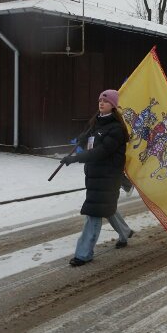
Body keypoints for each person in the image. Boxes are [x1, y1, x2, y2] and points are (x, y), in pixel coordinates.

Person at [61, 89, 133, 266]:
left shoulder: (116, 129)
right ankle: (125, 232)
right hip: (95, 175)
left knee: (94, 212)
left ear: (114, 106)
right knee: (106, 207)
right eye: (100, 100)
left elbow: (101, 152)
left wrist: (76, 158)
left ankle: (83, 254)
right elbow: (91, 140)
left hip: (108, 177)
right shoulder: (96, 124)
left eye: (106, 101)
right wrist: (81, 139)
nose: (101, 103)